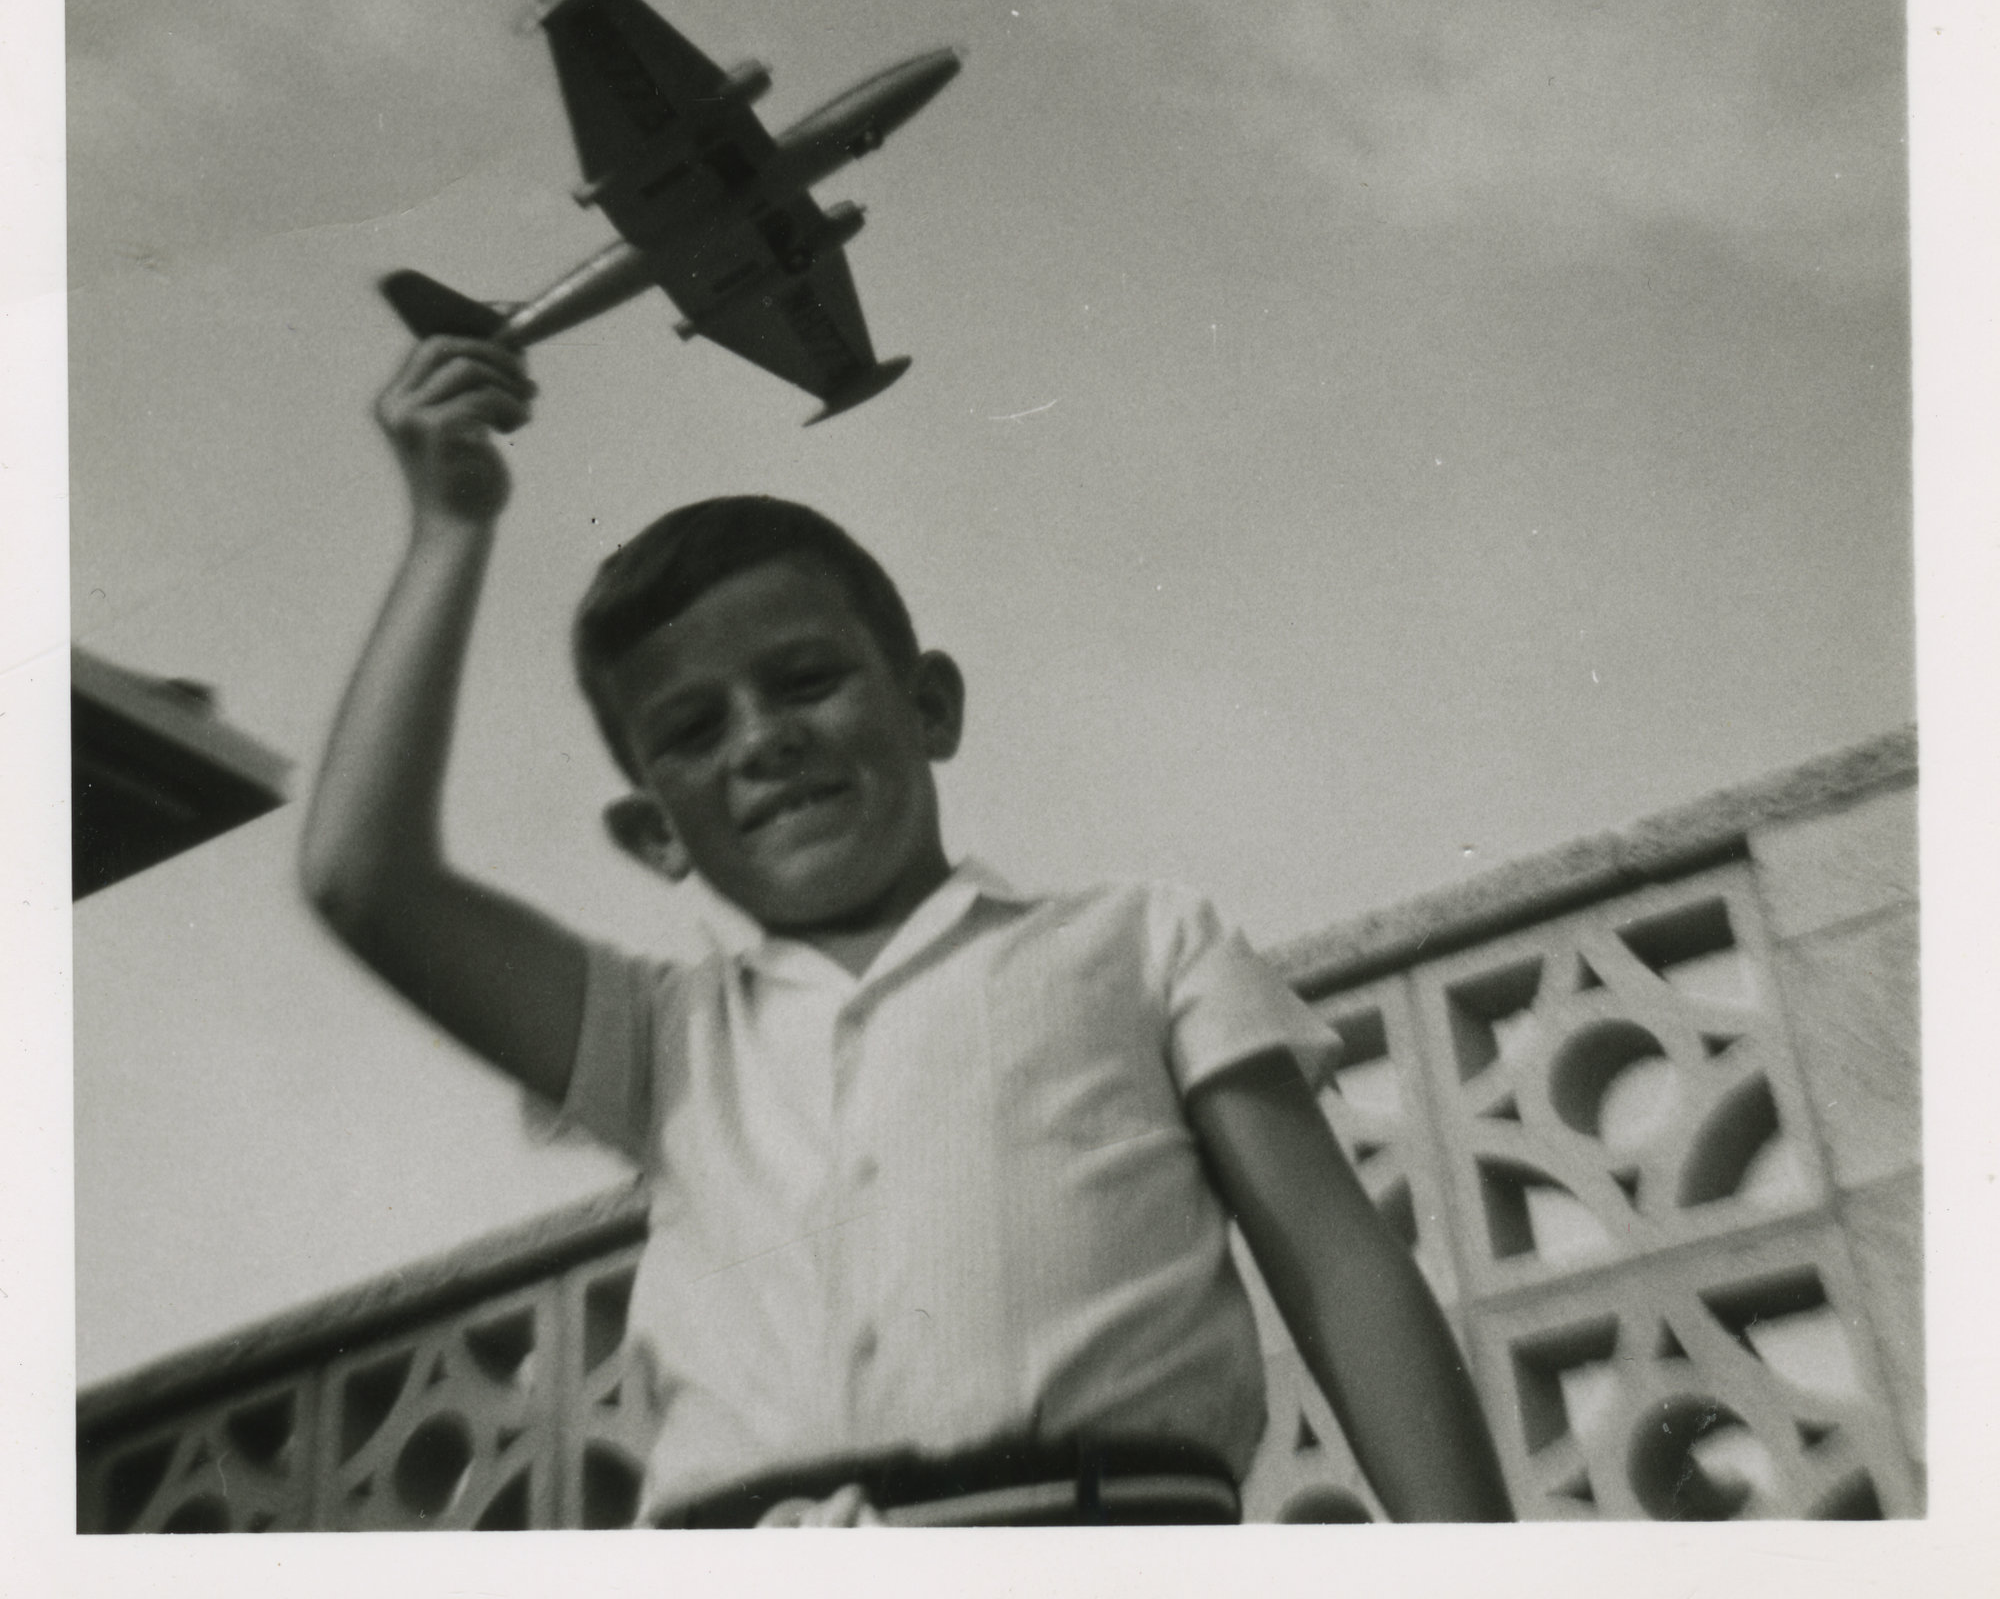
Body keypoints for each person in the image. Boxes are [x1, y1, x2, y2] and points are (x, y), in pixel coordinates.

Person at [300, 334, 1515, 1528]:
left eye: (803, 679)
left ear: (927, 704)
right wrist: (447, 530)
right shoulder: (663, 1037)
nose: (759, 739)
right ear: (655, 833)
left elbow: (1337, 1269)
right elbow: (360, 875)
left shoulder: (1142, 940)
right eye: (690, 729)